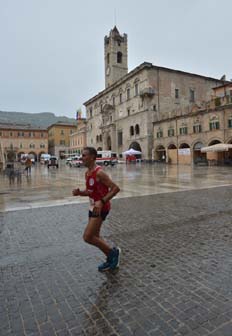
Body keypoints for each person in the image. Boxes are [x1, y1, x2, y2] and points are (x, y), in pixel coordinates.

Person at [72, 147, 121, 272]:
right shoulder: (88, 173)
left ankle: (113, 254)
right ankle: (111, 259)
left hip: (100, 208)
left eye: (84, 155)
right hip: (92, 207)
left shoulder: (99, 173)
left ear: (93, 157)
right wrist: (80, 193)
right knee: (96, 236)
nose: (81, 158)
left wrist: (102, 201)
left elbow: (115, 188)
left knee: (88, 237)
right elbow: (90, 191)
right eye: (81, 155)